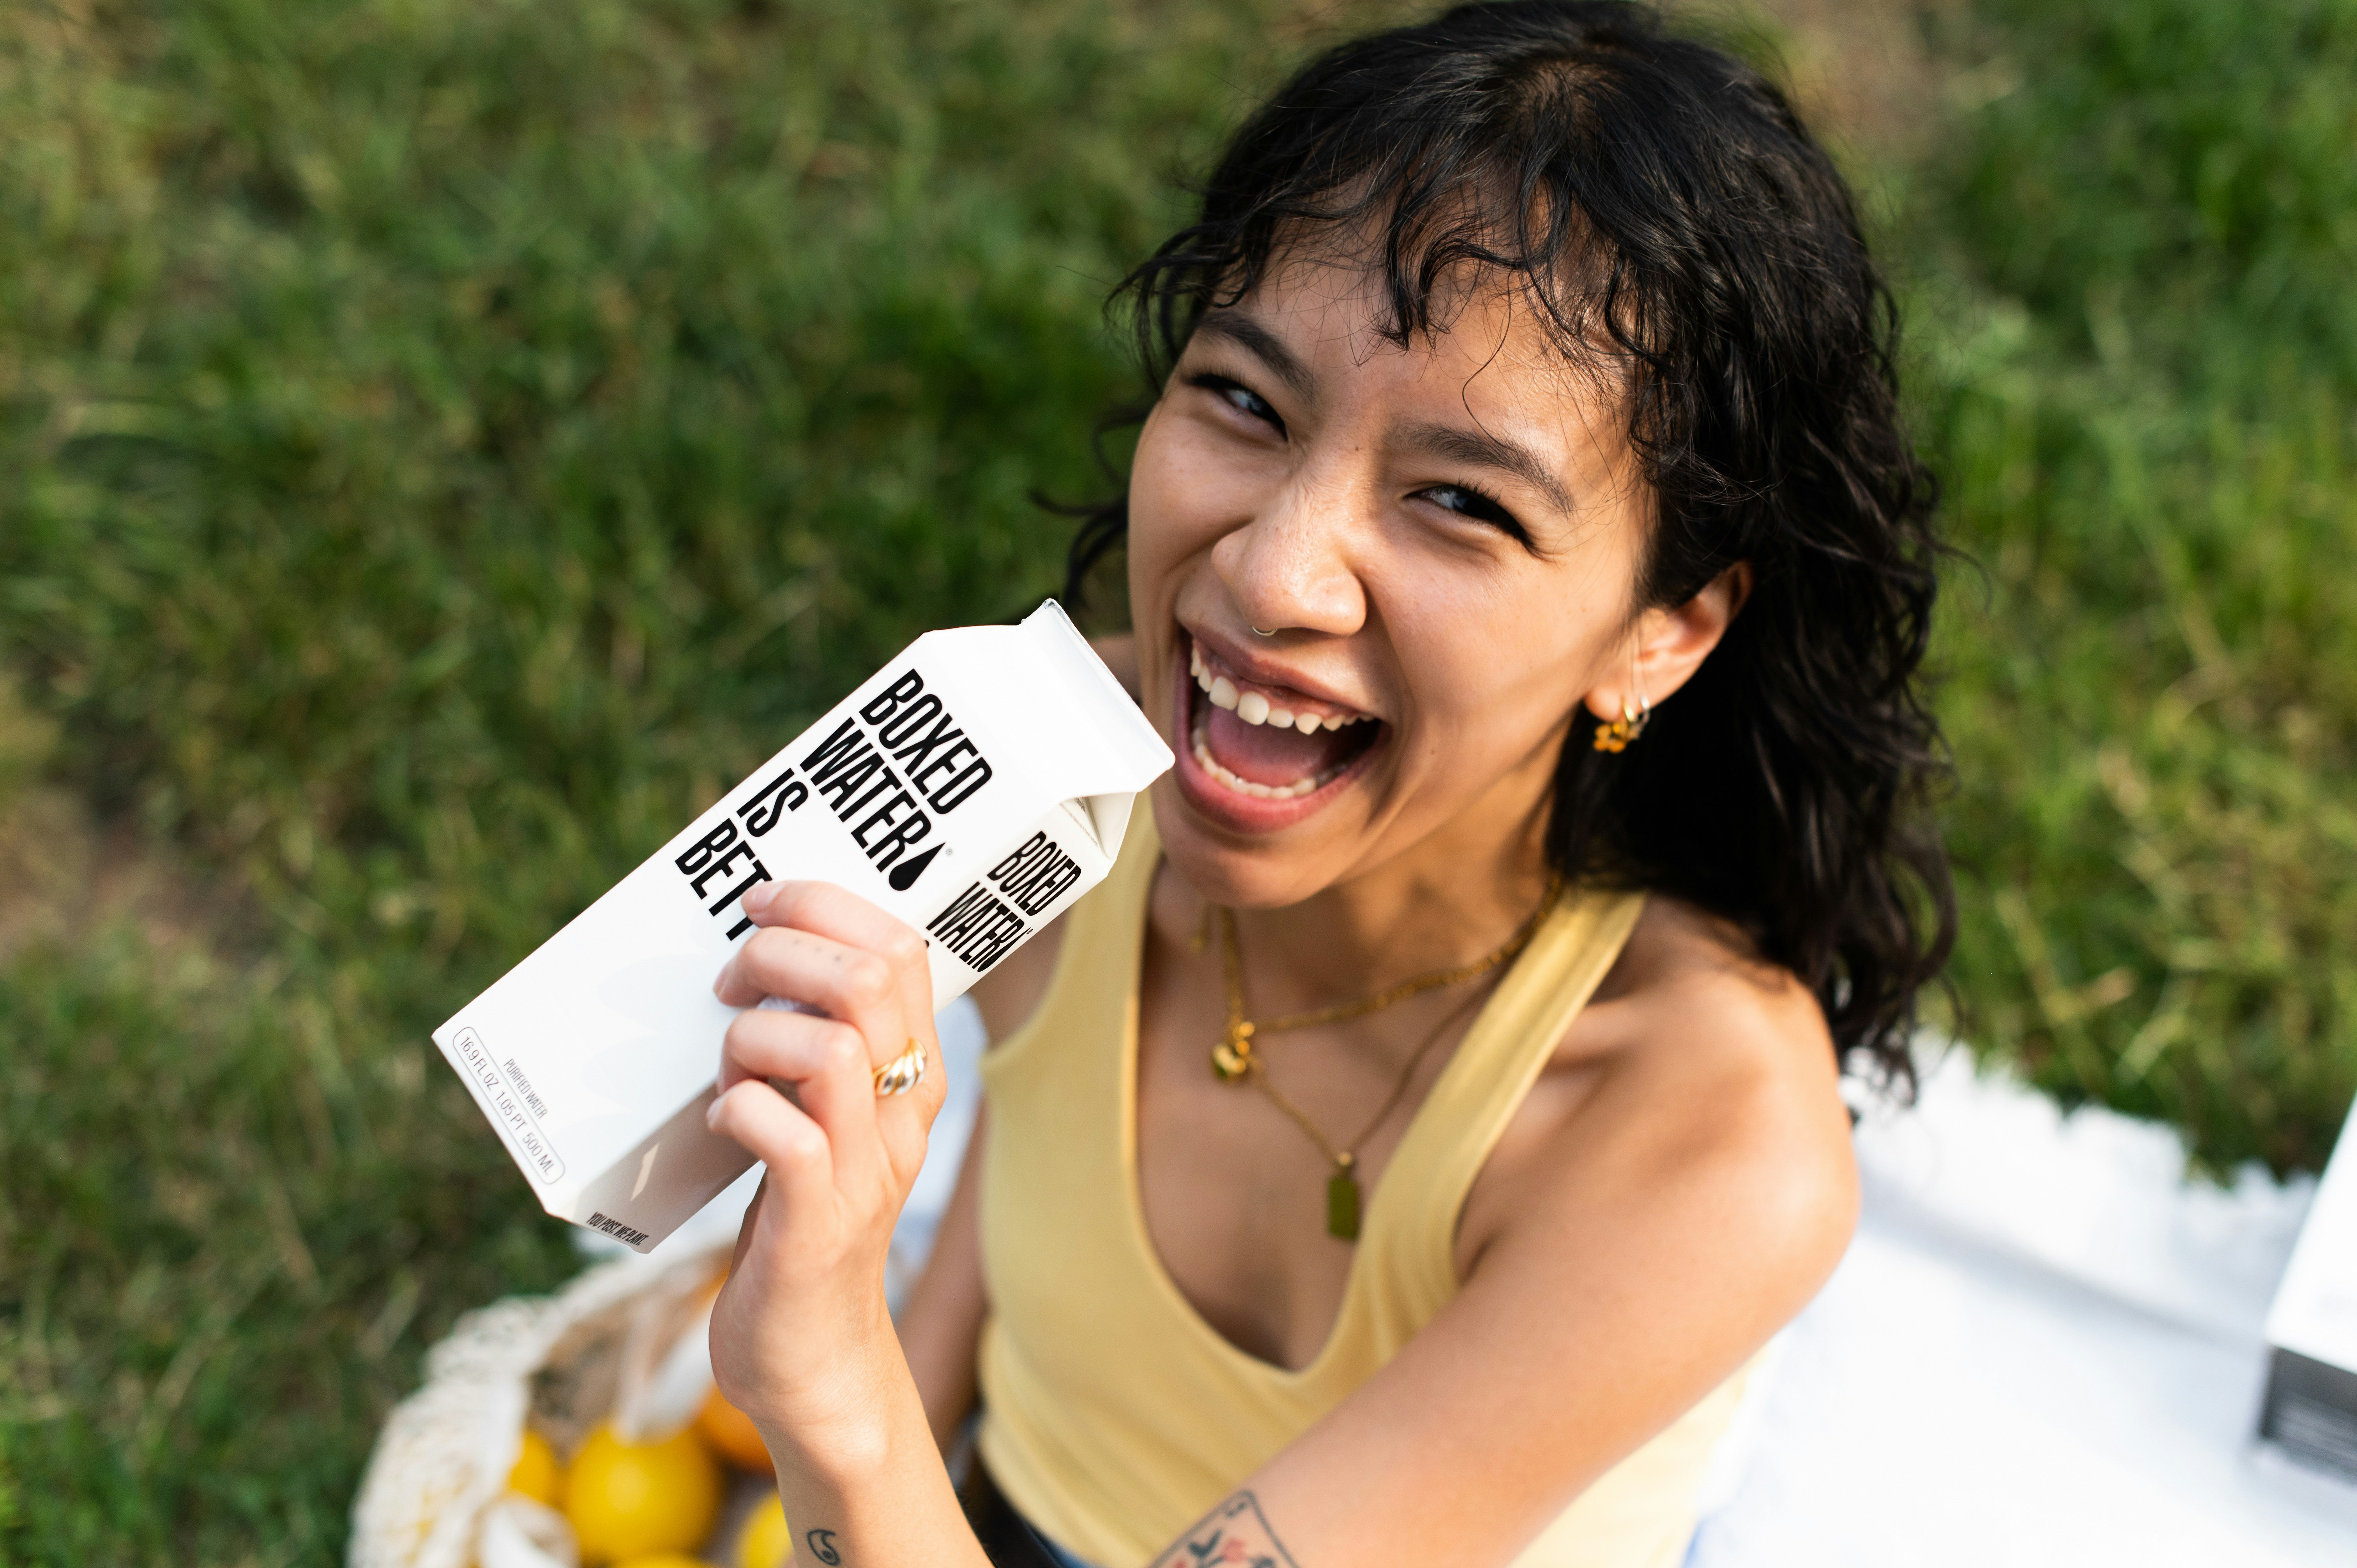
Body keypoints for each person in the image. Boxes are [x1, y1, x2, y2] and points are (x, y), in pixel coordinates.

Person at [701, 4, 1954, 1565]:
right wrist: (878, 1424)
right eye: (1244, 400)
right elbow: (1020, 1179)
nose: (1275, 571)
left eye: (1459, 502)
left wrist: (832, 1391)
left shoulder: (1706, 1141)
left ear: (1658, 634)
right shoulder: (1052, 781)